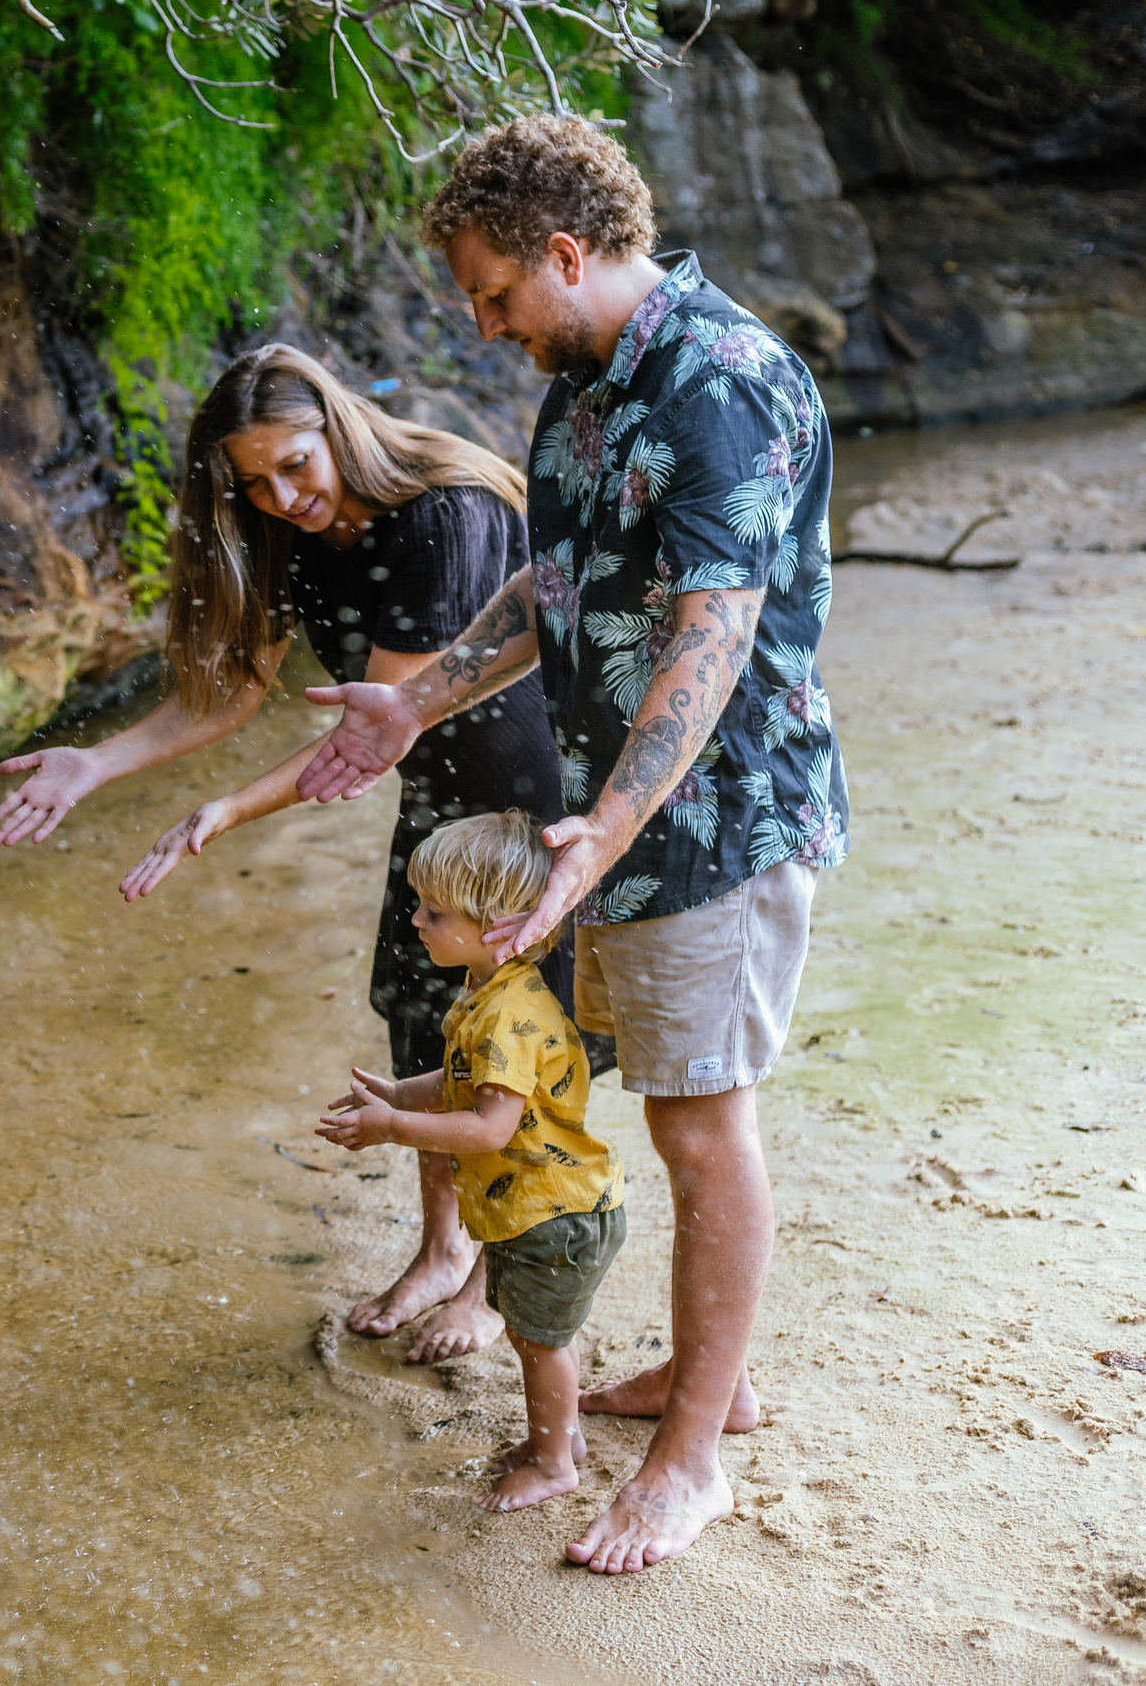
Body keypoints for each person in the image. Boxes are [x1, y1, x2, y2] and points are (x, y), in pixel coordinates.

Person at [295, 113, 850, 1573]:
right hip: (607, 823)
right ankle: (696, 1373)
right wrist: (410, 703)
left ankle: (687, 1458)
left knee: (699, 1118)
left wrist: (606, 825)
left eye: (493, 292)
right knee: (640, 1091)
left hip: (709, 824)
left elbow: (711, 634)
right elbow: (552, 588)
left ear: (564, 249)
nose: (485, 325)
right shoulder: (584, 381)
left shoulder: (721, 381)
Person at [0, 343, 609, 1365]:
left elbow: (373, 730)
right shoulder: (289, 534)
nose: (280, 498)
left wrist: (222, 812)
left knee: (517, 1042)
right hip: (439, 807)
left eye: (294, 468)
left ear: (339, 429)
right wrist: (95, 764)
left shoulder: (442, 513)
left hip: (529, 807)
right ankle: (442, 1247)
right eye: (254, 482)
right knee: (422, 1013)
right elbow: (229, 689)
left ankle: (499, 1278)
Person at [316, 810, 620, 1513]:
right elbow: (461, 1081)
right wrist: (398, 1091)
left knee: (540, 1340)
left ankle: (552, 1463)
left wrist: (393, 1125)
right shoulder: (490, 994)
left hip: (555, 1213)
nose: (416, 919)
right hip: (539, 1206)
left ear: (497, 925)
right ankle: (561, 1436)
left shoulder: (508, 1018)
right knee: (529, 1329)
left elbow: (487, 1126)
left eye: (435, 910)